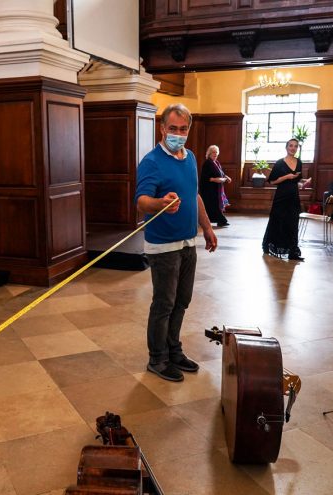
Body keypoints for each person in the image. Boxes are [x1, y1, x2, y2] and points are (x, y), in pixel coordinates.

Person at [135, 103, 218, 382]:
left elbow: (194, 196)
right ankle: (157, 359)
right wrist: (160, 202)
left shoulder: (191, 157)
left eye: (183, 129)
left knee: (182, 301)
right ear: (162, 128)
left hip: (186, 243)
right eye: (173, 129)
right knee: (164, 303)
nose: (178, 134)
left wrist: (206, 227)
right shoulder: (152, 161)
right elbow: (142, 202)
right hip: (163, 247)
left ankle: (173, 350)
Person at [262, 138, 304, 261]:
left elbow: (297, 180)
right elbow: (272, 181)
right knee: (278, 221)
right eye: (291, 146)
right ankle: (274, 248)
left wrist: (302, 183)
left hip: (293, 196)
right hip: (281, 196)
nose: (293, 148)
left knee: (293, 223)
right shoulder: (280, 163)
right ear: (286, 147)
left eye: (295, 146)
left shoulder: (299, 162)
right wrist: (287, 176)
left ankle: (292, 251)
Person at [200, 144, 232, 227]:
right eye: (213, 152)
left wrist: (226, 177)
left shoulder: (216, 162)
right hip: (209, 189)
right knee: (213, 206)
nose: (215, 154)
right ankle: (221, 221)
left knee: (214, 206)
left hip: (215, 189)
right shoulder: (207, 163)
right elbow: (206, 178)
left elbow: (221, 173)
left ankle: (219, 221)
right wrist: (217, 180)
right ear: (209, 153)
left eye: (216, 152)